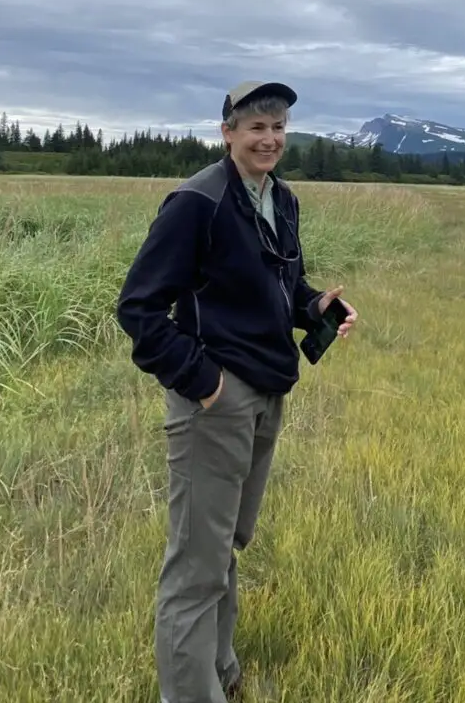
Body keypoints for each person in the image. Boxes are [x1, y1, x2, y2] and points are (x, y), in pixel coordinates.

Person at [116, 80, 357, 703]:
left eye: (278, 127)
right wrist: (206, 386)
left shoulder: (282, 199)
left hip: (268, 389)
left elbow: (284, 284)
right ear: (227, 133)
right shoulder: (196, 202)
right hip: (217, 403)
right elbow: (139, 311)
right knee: (196, 565)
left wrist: (316, 308)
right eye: (255, 127)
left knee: (227, 543)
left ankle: (221, 672)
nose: (269, 138)